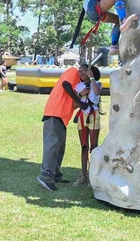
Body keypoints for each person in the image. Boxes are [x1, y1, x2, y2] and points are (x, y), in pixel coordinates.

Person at [37, 63, 96, 192]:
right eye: (83, 71)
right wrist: (80, 101)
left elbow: (73, 103)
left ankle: (55, 174)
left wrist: (81, 98)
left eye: (85, 72)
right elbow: (65, 85)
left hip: (63, 117)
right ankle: (46, 177)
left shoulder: (79, 85)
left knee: (59, 148)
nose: (82, 73)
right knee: (52, 147)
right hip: (54, 113)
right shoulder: (72, 71)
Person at [72, 70, 103, 187]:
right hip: (82, 115)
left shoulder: (97, 83)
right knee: (84, 146)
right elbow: (74, 104)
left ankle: (93, 176)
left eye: (84, 71)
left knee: (94, 147)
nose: (81, 73)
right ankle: (83, 175)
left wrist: (91, 79)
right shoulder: (78, 86)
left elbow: (97, 91)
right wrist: (81, 95)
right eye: (80, 71)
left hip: (94, 114)